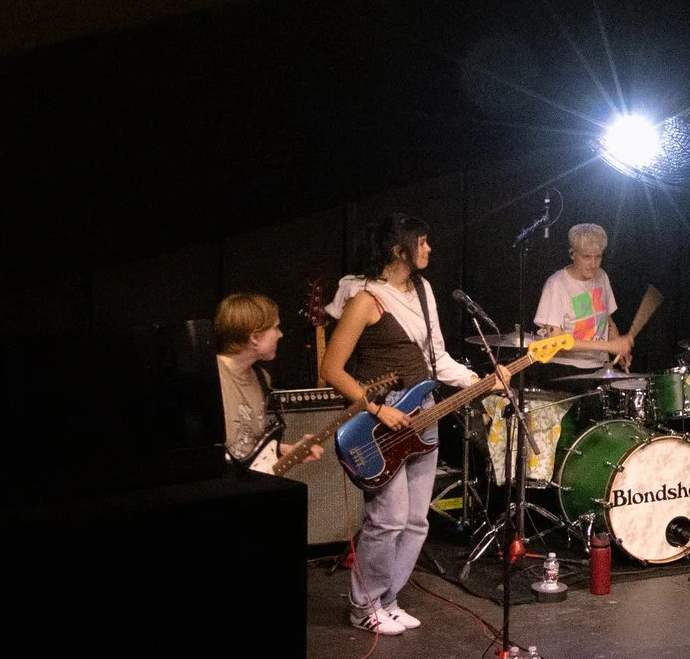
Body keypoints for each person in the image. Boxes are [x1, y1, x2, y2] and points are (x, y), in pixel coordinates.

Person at [322, 216, 512, 635]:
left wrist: (479, 381)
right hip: (383, 418)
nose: (429, 249)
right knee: (387, 519)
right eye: (422, 242)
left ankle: (387, 600)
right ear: (398, 250)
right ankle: (363, 605)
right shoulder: (366, 299)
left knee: (416, 521)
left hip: (425, 410)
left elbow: (437, 359)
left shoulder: (425, 292)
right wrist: (375, 408)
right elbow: (331, 368)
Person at [208, 291, 323, 475]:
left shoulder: (261, 378)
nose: (280, 334)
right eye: (275, 328)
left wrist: (285, 450)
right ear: (254, 337)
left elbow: (247, 444)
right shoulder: (211, 375)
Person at [534, 223, 634, 373]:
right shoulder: (556, 284)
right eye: (586, 257)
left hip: (600, 367)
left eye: (598, 257)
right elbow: (555, 340)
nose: (593, 264)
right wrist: (608, 346)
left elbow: (607, 321)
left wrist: (619, 347)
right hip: (565, 369)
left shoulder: (602, 277)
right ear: (572, 254)